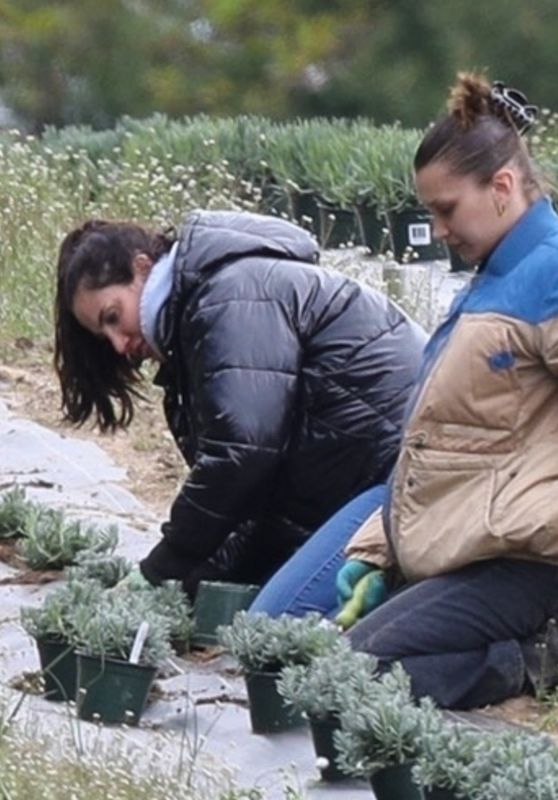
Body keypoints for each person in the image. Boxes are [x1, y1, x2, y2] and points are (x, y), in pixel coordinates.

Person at [252, 71, 558, 711]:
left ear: (502, 188)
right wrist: (374, 548)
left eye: (446, 209)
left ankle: (534, 661)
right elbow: (440, 445)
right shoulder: (488, 283)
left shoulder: (547, 273)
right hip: (463, 550)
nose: (439, 230)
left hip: (528, 561)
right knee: (317, 656)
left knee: (358, 677)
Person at [54, 209, 426, 598]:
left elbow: (242, 455)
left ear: (142, 267)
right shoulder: (198, 326)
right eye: (104, 336)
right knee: (242, 611)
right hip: (366, 484)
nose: (119, 344)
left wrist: (161, 570)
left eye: (113, 317)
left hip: (405, 478)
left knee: (282, 618)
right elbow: (255, 503)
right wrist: (190, 581)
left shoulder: (232, 296)